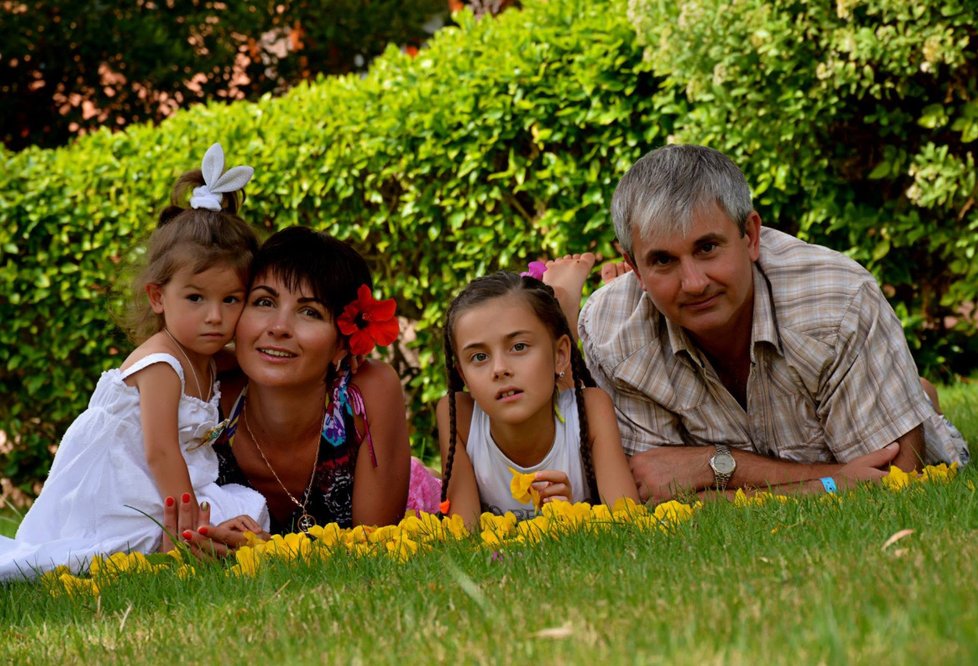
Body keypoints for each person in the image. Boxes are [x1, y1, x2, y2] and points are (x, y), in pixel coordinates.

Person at [576, 144, 969, 503]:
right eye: (663, 260)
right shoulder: (612, 331)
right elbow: (657, 496)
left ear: (750, 236)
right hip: (820, 445)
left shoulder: (836, 300)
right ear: (634, 268)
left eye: (707, 247)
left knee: (911, 442)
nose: (694, 283)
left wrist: (710, 465)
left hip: (854, 412)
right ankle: (912, 394)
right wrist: (833, 483)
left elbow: (893, 484)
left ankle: (916, 402)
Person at [0, 143, 269, 579]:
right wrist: (192, 530)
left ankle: (205, 534)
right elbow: (160, 451)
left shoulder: (208, 357)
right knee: (125, 550)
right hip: (118, 497)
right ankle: (192, 540)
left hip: (167, 488)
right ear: (158, 297)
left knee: (249, 507)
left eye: (232, 299)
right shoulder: (162, 363)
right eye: (196, 298)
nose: (215, 316)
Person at [171, 226, 412, 555]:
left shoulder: (365, 395)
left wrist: (269, 551)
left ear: (343, 344)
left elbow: (376, 547)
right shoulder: (205, 393)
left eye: (310, 312)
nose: (279, 327)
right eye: (264, 302)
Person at [437, 271, 638, 528]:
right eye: (479, 357)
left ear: (560, 355)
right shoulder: (460, 418)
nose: (499, 369)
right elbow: (462, 532)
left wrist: (574, 513)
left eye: (519, 347)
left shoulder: (590, 410)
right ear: (463, 376)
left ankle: (566, 302)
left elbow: (627, 519)